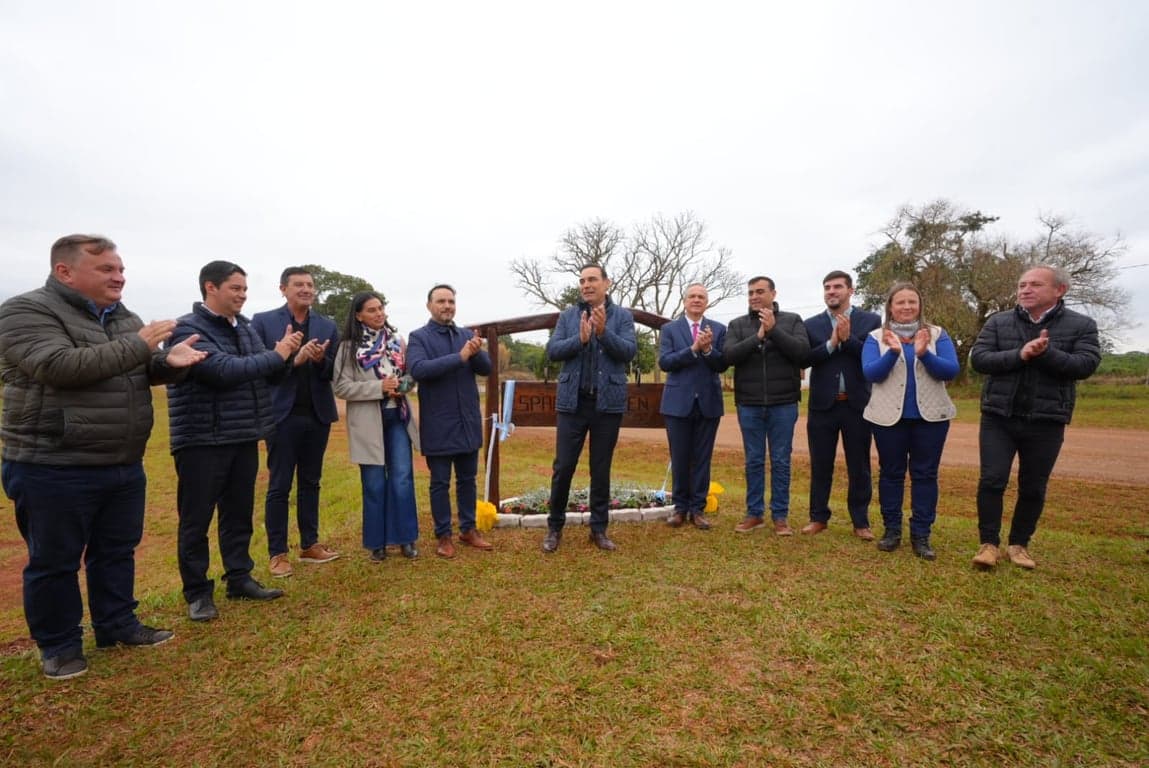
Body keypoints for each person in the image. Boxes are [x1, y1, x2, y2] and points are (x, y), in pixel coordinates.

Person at [0, 234, 206, 679]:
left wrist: (169, 363)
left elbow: (136, 368)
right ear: (65, 272)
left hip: (121, 460)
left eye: (121, 269)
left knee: (116, 550)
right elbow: (57, 366)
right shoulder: (25, 311)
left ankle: (117, 624)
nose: (119, 277)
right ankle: (59, 645)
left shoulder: (123, 317)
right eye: (107, 269)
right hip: (53, 461)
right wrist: (140, 344)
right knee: (55, 560)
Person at [168, 261, 303, 622]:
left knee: (238, 514)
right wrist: (276, 355)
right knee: (196, 520)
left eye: (245, 289)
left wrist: (287, 357)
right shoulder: (187, 328)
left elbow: (265, 373)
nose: (243, 295)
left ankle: (239, 577)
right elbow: (221, 371)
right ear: (210, 287)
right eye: (235, 288)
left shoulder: (244, 328)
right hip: (201, 438)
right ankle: (198, 592)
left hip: (243, 434)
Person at [969, 265, 1100, 570]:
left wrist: (1046, 352)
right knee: (992, 480)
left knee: (1033, 486)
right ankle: (988, 544)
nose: (1026, 290)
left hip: (1047, 420)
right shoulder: (998, 321)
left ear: (1059, 290)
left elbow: (1086, 364)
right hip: (999, 417)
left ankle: (1019, 545)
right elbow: (980, 359)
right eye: (1022, 285)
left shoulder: (1082, 325)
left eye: (1035, 284)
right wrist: (1021, 354)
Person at [251, 267, 340, 579]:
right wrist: (294, 359)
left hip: (317, 415)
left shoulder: (327, 325)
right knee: (279, 485)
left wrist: (319, 360)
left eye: (310, 285)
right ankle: (277, 553)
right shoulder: (263, 322)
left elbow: (334, 371)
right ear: (283, 289)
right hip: (282, 416)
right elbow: (260, 369)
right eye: (299, 284)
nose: (306, 289)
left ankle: (310, 544)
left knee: (311, 482)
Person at [541, 264, 637, 553]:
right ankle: (554, 528)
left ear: (607, 283)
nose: (586, 285)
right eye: (582, 281)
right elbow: (553, 350)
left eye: (592, 279)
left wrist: (603, 332)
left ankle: (598, 529)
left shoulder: (622, 316)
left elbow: (629, 351)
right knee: (563, 467)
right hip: (573, 404)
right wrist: (580, 339)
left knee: (601, 468)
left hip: (607, 404)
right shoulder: (568, 316)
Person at [861, 282, 959, 560]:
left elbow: (950, 370)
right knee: (891, 474)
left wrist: (924, 353)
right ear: (890, 307)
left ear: (920, 305)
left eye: (912, 302)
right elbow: (871, 374)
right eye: (900, 302)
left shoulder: (937, 334)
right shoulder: (876, 337)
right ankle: (892, 530)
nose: (906, 307)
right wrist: (892, 353)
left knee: (925, 475)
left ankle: (921, 534)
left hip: (931, 418)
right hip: (887, 419)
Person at [407, 284, 494, 559]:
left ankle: (468, 529)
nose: (447, 306)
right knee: (440, 483)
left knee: (468, 479)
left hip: (467, 420)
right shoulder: (419, 337)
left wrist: (476, 351)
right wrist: (460, 357)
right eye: (441, 301)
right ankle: (443, 535)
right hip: (439, 422)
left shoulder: (466, 335)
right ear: (429, 305)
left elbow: (487, 369)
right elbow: (418, 369)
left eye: (451, 301)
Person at [333, 291, 420, 561]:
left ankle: (405, 538)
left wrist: (402, 386)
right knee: (373, 483)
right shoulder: (348, 348)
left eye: (380, 308)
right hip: (368, 422)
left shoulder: (397, 342)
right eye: (371, 310)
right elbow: (341, 386)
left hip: (397, 418)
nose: (379, 313)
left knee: (402, 478)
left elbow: (410, 376)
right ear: (359, 315)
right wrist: (379, 387)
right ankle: (376, 543)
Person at [723, 276, 811, 536]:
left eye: (760, 291)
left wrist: (774, 331)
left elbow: (803, 354)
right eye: (750, 292)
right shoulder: (737, 324)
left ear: (773, 294)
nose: (754, 296)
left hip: (783, 403)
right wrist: (758, 336)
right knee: (753, 460)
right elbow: (729, 356)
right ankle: (754, 513)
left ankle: (780, 516)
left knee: (781, 461)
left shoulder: (792, 321)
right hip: (749, 403)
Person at [803, 270, 882, 539]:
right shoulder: (811, 324)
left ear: (851, 290)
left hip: (857, 405)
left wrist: (848, 340)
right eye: (827, 287)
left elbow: (871, 356)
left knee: (859, 466)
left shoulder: (871, 320)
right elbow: (805, 359)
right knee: (820, 464)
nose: (831, 291)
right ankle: (818, 517)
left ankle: (860, 521)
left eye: (837, 286)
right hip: (822, 406)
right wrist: (831, 343)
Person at [658, 283, 728, 530]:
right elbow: (665, 362)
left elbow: (722, 364)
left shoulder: (719, 329)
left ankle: (697, 509)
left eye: (701, 297)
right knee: (679, 457)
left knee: (702, 458)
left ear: (706, 302)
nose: (696, 300)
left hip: (708, 403)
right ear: (685, 301)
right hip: (677, 404)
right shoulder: (669, 329)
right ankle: (680, 508)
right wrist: (693, 349)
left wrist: (708, 350)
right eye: (692, 296)